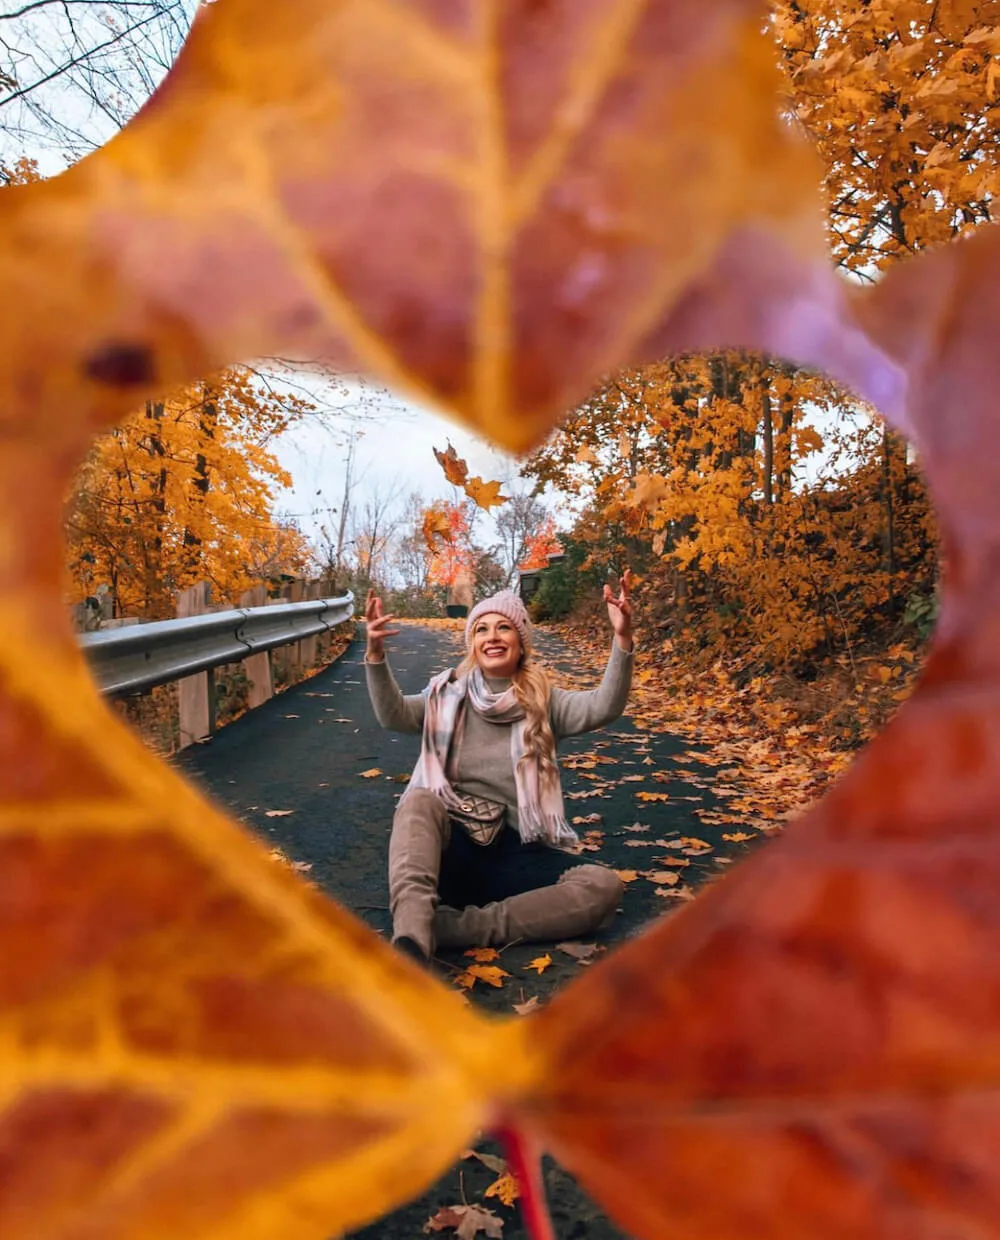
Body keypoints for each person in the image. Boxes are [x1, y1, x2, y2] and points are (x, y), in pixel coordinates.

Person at [364, 575, 635, 962]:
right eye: (482, 629)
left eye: (504, 627)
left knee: (602, 886)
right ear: (473, 643)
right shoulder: (445, 694)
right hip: (452, 848)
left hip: (514, 851)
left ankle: (449, 928)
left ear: (520, 641)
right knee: (418, 801)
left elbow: (603, 706)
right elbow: (393, 715)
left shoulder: (545, 700)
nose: (492, 636)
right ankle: (411, 940)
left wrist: (622, 640)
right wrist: (375, 656)